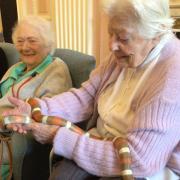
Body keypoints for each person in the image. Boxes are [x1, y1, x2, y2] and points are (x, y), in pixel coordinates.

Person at [2, 0, 180, 179]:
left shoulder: (173, 75)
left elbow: (138, 161)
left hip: (144, 165)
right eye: (111, 34)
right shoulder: (122, 55)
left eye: (123, 38)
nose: (112, 46)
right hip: (98, 142)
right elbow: (85, 97)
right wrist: (35, 108)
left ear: (156, 34)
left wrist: (58, 136)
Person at [0, 16, 72, 180]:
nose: (25, 47)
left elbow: (49, 116)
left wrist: (8, 121)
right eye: (20, 41)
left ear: (47, 44)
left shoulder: (56, 69)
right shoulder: (16, 68)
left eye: (32, 41)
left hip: (8, 137)